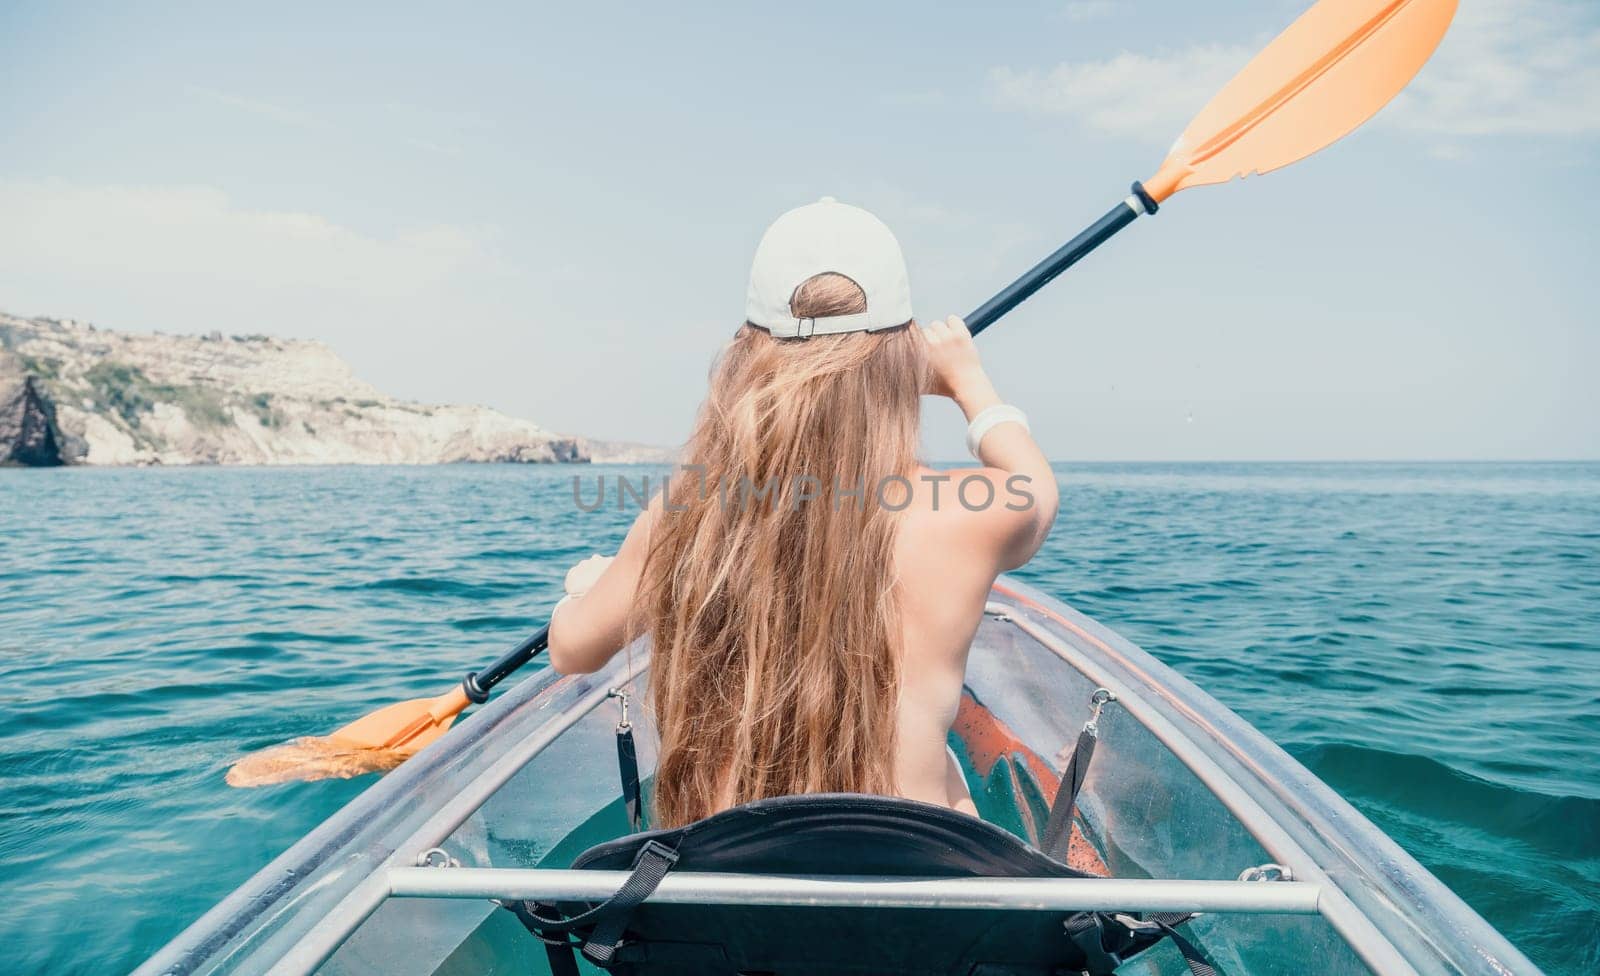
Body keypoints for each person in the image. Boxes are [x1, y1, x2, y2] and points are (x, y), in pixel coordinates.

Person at [547, 197, 1058, 828]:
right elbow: (1035, 489)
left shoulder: (686, 517)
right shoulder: (967, 516)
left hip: (731, 896)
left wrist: (596, 588)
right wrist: (967, 380)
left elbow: (571, 650)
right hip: (910, 891)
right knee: (948, 786)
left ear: (749, 356)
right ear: (900, 356)